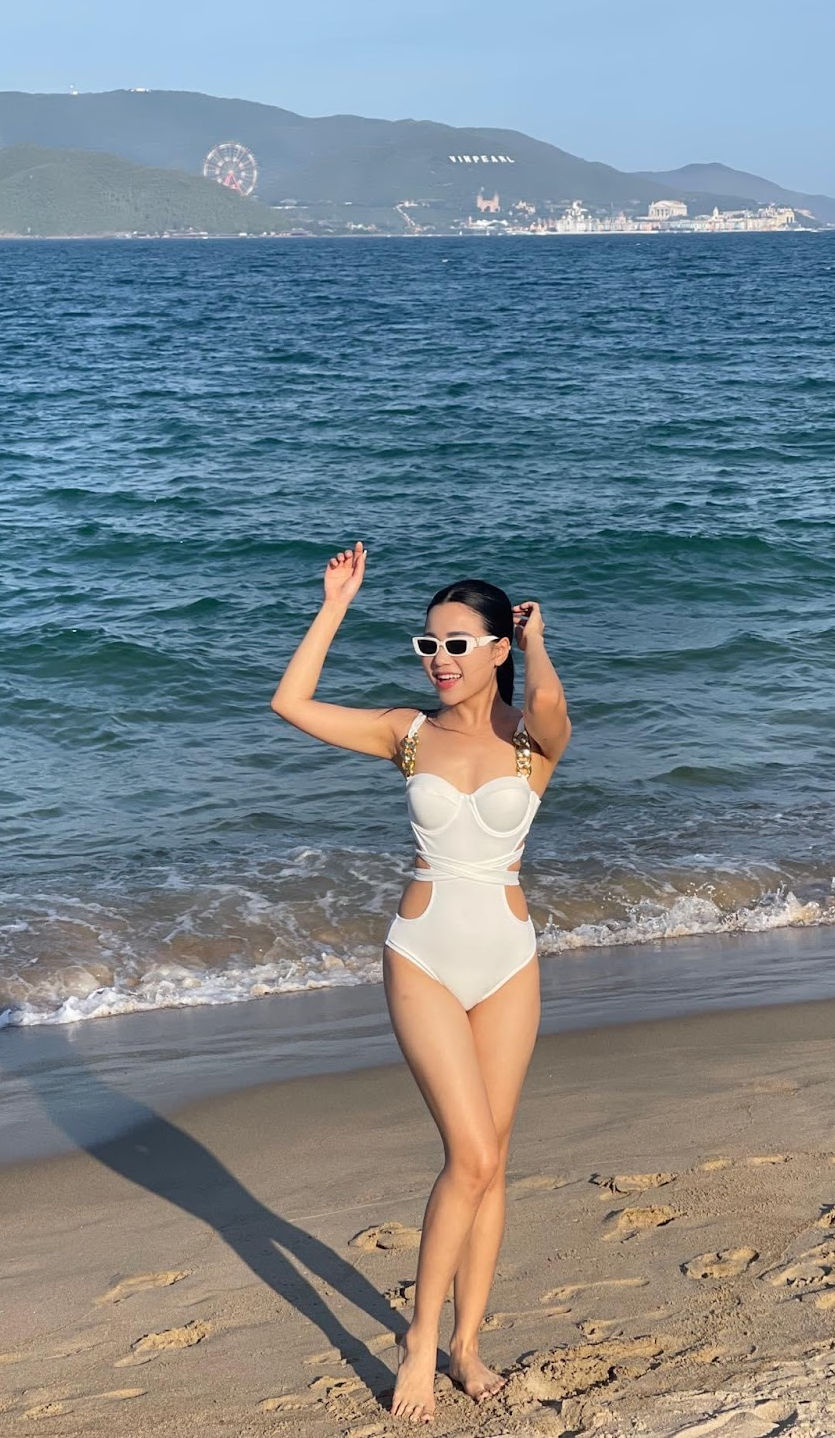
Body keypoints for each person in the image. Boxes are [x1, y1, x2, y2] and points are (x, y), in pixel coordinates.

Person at [270, 540, 571, 1425]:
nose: (439, 661)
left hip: (510, 960)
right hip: (424, 955)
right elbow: (289, 704)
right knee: (469, 1155)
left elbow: (550, 708)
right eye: (427, 646)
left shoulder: (531, 744)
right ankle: (417, 1340)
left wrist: (538, 641)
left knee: (496, 1160)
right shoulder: (406, 734)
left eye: (456, 644)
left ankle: (468, 1346)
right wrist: (334, 605)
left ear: (497, 650)